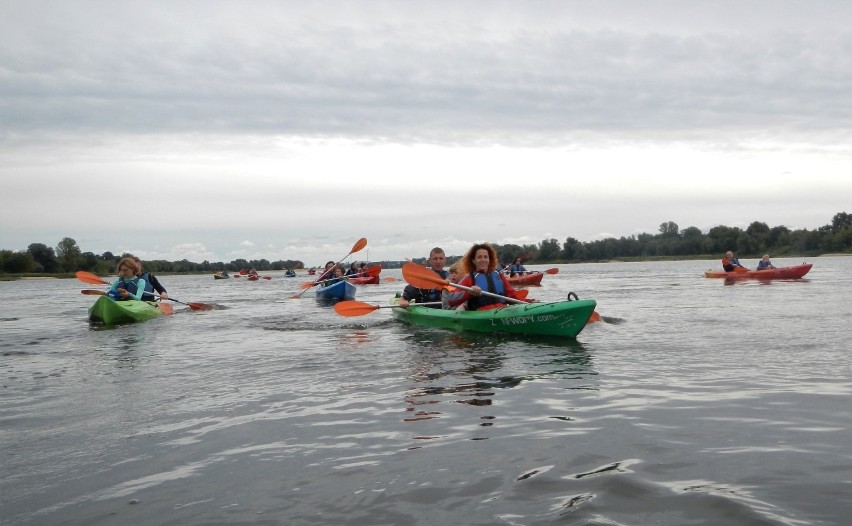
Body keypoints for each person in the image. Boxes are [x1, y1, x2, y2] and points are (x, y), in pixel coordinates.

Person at [448, 243, 528, 311]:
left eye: (485, 257)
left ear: (489, 259)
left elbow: (513, 296)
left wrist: (529, 302)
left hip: (502, 311)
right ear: (473, 260)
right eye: (479, 257)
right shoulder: (469, 278)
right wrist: (468, 293)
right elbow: (451, 301)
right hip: (481, 315)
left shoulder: (499, 275)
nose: (483, 260)